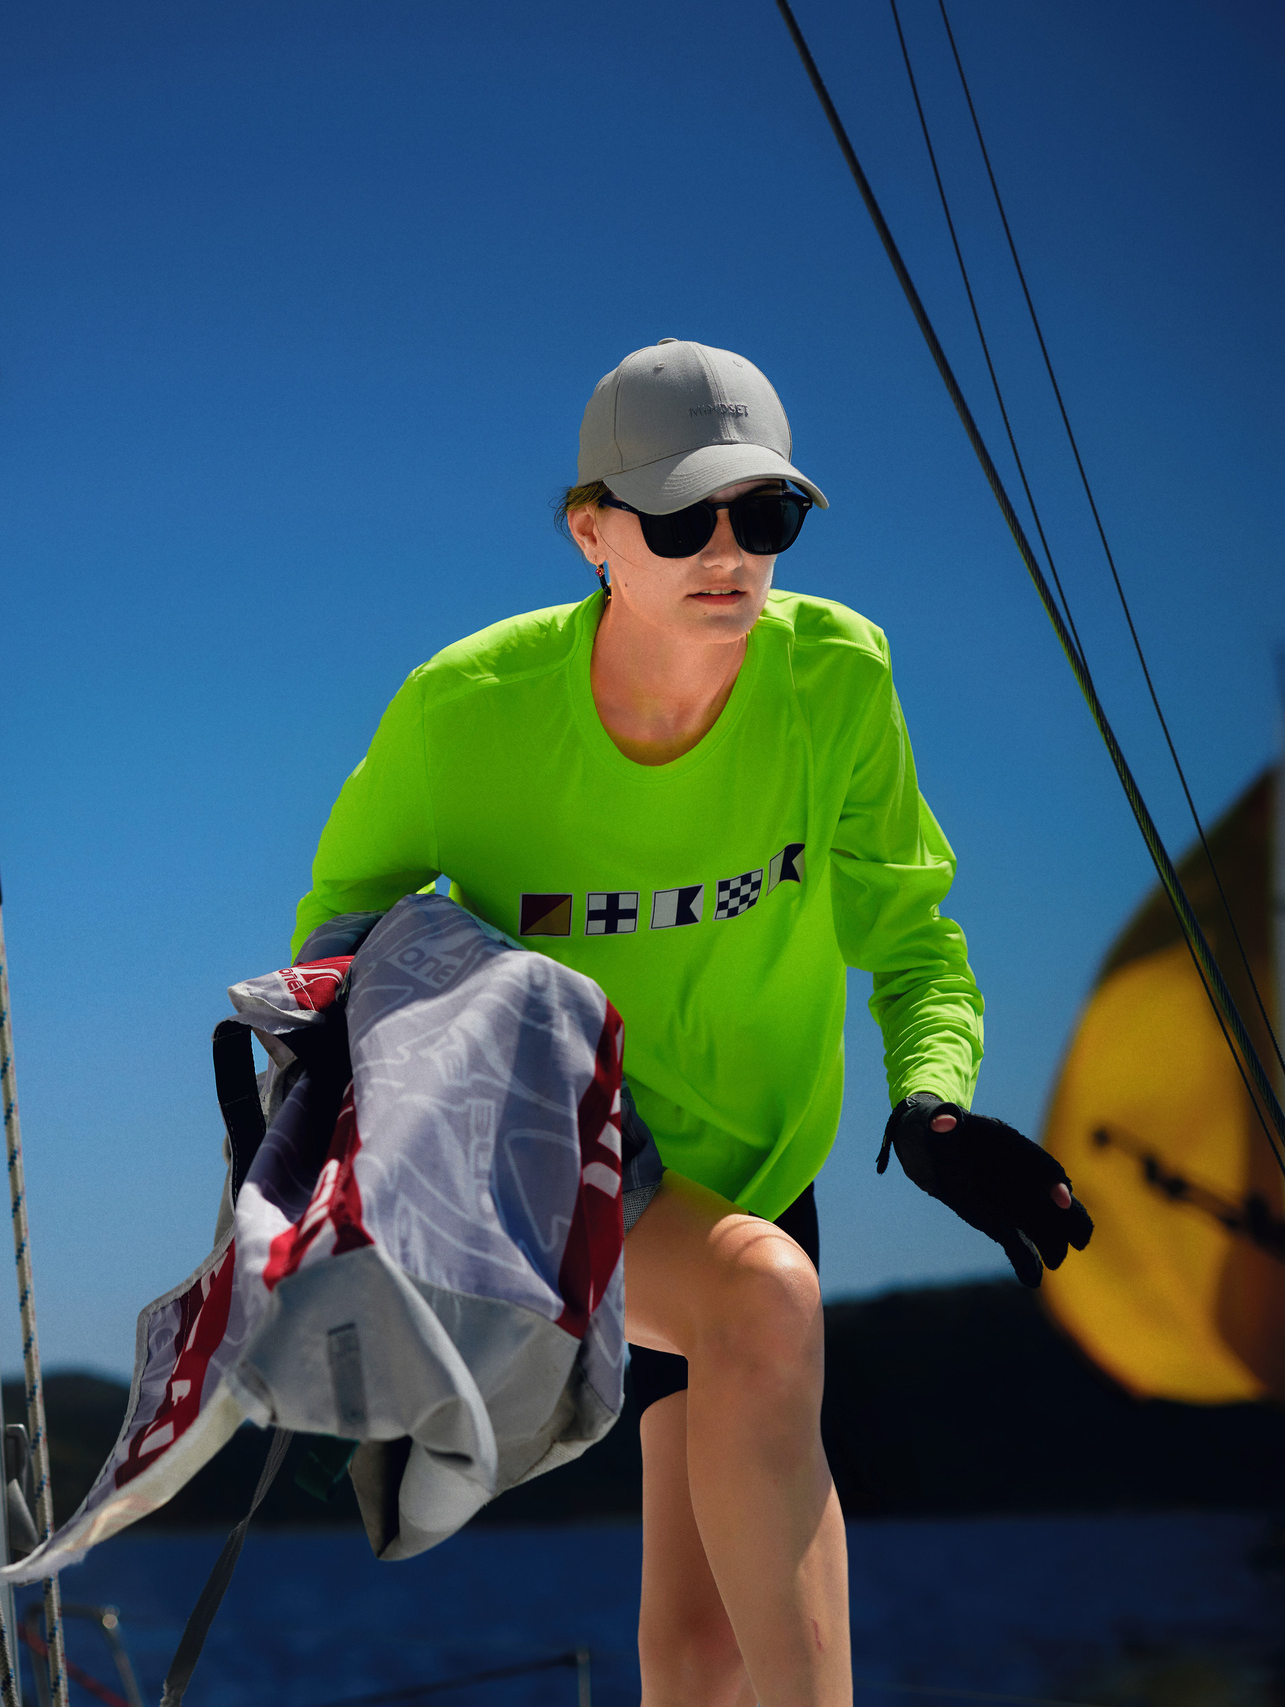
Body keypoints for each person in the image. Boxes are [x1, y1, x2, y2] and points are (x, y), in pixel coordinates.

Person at [290, 339, 1092, 1707]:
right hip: (549, 1166)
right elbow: (331, 938)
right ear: (592, 531)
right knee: (765, 1299)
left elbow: (912, 935)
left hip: (758, 1169)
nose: (728, 551)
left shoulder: (835, 680)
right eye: (682, 518)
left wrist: (932, 1104)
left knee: (707, 1644)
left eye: (763, 515)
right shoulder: (465, 712)